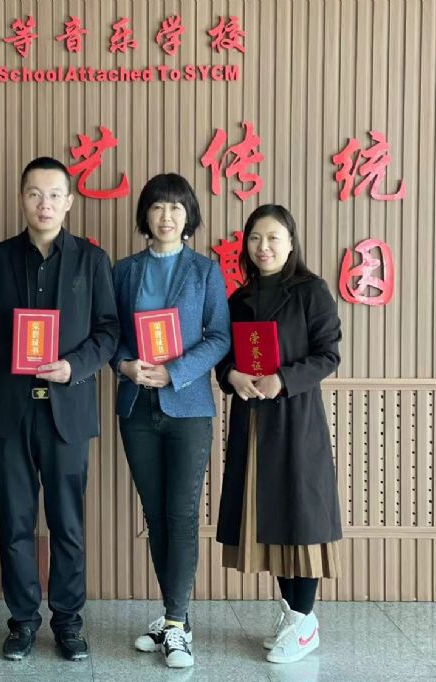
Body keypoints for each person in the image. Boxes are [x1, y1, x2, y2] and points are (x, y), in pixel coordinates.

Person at [0, 157, 119, 662]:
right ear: (21, 199)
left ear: (69, 202)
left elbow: (108, 332)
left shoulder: (91, 261)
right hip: (9, 414)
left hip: (66, 414)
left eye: (54, 194)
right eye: (34, 193)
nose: (44, 203)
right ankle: (22, 622)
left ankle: (69, 622)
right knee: (15, 523)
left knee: (67, 524)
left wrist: (74, 366)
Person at [111, 173, 230, 669]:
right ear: (145, 214)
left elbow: (220, 336)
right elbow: (109, 332)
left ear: (188, 216)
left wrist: (174, 371)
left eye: (176, 207)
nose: (166, 216)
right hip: (137, 408)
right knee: (156, 515)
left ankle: (177, 624)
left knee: (181, 515)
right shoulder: (124, 270)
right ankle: (173, 614)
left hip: (188, 408)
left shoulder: (205, 271)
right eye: (158, 207)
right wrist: (125, 364)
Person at [215, 204, 342, 664]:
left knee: (299, 516)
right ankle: (292, 615)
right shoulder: (239, 298)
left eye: (273, 238)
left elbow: (328, 355)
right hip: (252, 421)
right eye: (255, 238)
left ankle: (305, 623)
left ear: (290, 243)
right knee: (269, 518)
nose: (263, 247)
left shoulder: (311, 291)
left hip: (296, 420)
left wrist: (283, 379)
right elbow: (224, 356)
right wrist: (231, 376)